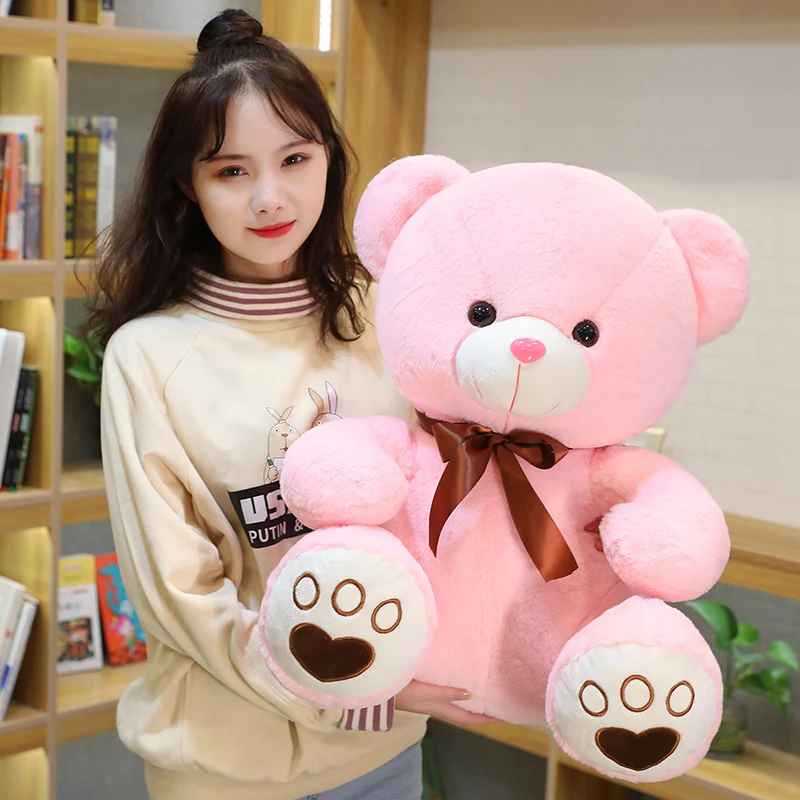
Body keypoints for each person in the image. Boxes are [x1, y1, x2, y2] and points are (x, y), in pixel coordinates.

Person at [92, 9, 495, 800]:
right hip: (226, 767)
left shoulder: (386, 315)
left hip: (384, 757)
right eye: (231, 171)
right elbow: (183, 599)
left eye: (295, 158)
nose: (270, 197)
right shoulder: (149, 357)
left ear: (329, 162)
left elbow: (445, 510)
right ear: (188, 186)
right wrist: (355, 697)